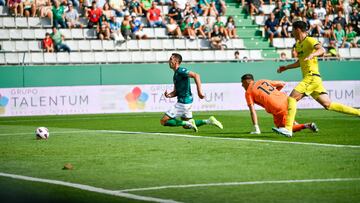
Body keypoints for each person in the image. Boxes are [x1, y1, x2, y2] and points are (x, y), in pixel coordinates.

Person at [273, 20, 360, 137]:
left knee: (292, 98)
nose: (292, 32)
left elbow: (322, 50)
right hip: (314, 79)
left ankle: (288, 129)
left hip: (311, 77)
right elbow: (300, 62)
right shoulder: (298, 45)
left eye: (293, 30)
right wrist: (286, 67)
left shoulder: (310, 40)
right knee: (328, 104)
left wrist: (313, 54)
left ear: (298, 29)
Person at [160, 53, 224, 132]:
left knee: (164, 121)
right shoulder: (176, 74)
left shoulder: (181, 70)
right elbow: (176, 92)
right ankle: (209, 121)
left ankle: (188, 123)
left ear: (176, 61)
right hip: (186, 102)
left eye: (170, 59)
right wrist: (169, 95)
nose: (168, 61)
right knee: (187, 126)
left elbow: (196, 75)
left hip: (183, 102)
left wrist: (199, 92)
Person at [241, 74, 318, 135]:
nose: (242, 85)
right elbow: (282, 84)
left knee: (282, 128)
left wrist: (256, 128)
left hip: (277, 107)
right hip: (287, 100)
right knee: (286, 120)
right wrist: (274, 94)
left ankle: (307, 125)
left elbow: (252, 111)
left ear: (247, 81)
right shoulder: (262, 80)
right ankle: (295, 123)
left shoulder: (248, 92)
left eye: (242, 83)